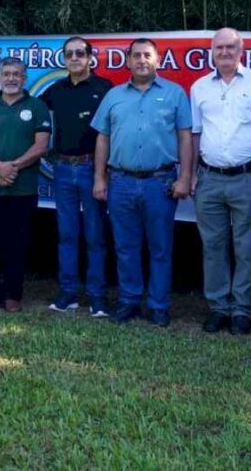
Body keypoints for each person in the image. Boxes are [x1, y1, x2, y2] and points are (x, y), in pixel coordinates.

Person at [91, 38, 193, 327]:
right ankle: (129, 301)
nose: (141, 60)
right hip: (120, 182)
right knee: (125, 247)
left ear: (158, 60)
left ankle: (159, 305)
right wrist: (99, 177)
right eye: (136, 55)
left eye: (147, 55)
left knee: (160, 247)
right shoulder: (113, 96)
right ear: (128, 61)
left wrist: (185, 177)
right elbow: (103, 137)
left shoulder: (175, 94)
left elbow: (186, 137)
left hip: (160, 182)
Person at [191, 28, 251, 335]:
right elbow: (195, 132)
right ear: (212, 51)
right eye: (220, 47)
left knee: (247, 246)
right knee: (212, 246)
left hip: (249, 177)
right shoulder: (200, 86)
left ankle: (241, 309)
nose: (225, 52)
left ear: (241, 49)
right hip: (209, 178)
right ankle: (218, 308)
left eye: (231, 47)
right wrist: (190, 173)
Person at [0, 58, 51, 313]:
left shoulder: (37, 106)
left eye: (17, 74)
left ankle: (12, 294)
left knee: (18, 242)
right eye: (6, 74)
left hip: (22, 188)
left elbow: (41, 145)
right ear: (0, 78)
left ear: (24, 78)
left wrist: (12, 167)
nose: (11, 78)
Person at [40, 36, 112, 317]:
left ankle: (97, 297)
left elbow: (111, 131)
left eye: (80, 53)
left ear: (90, 57)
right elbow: (28, 107)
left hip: (92, 169)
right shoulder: (56, 90)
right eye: (69, 54)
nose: (74, 58)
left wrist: (102, 174)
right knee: (67, 234)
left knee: (95, 236)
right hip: (61, 168)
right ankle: (68, 293)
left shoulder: (104, 88)